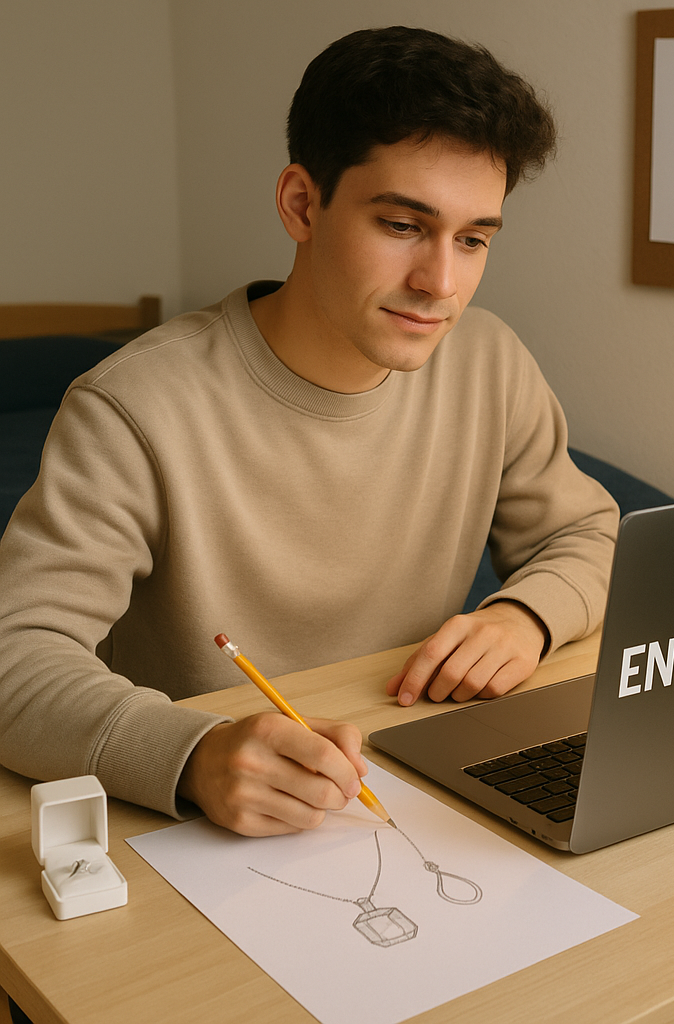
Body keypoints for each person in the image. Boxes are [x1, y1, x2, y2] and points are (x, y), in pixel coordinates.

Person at [0, 27, 617, 840]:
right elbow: (17, 655)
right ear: (302, 204)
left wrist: (526, 618)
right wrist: (195, 754)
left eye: (473, 240)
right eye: (402, 224)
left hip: (406, 789)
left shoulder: (489, 360)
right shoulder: (132, 406)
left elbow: (589, 532)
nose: (441, 283)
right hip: (204, 831)